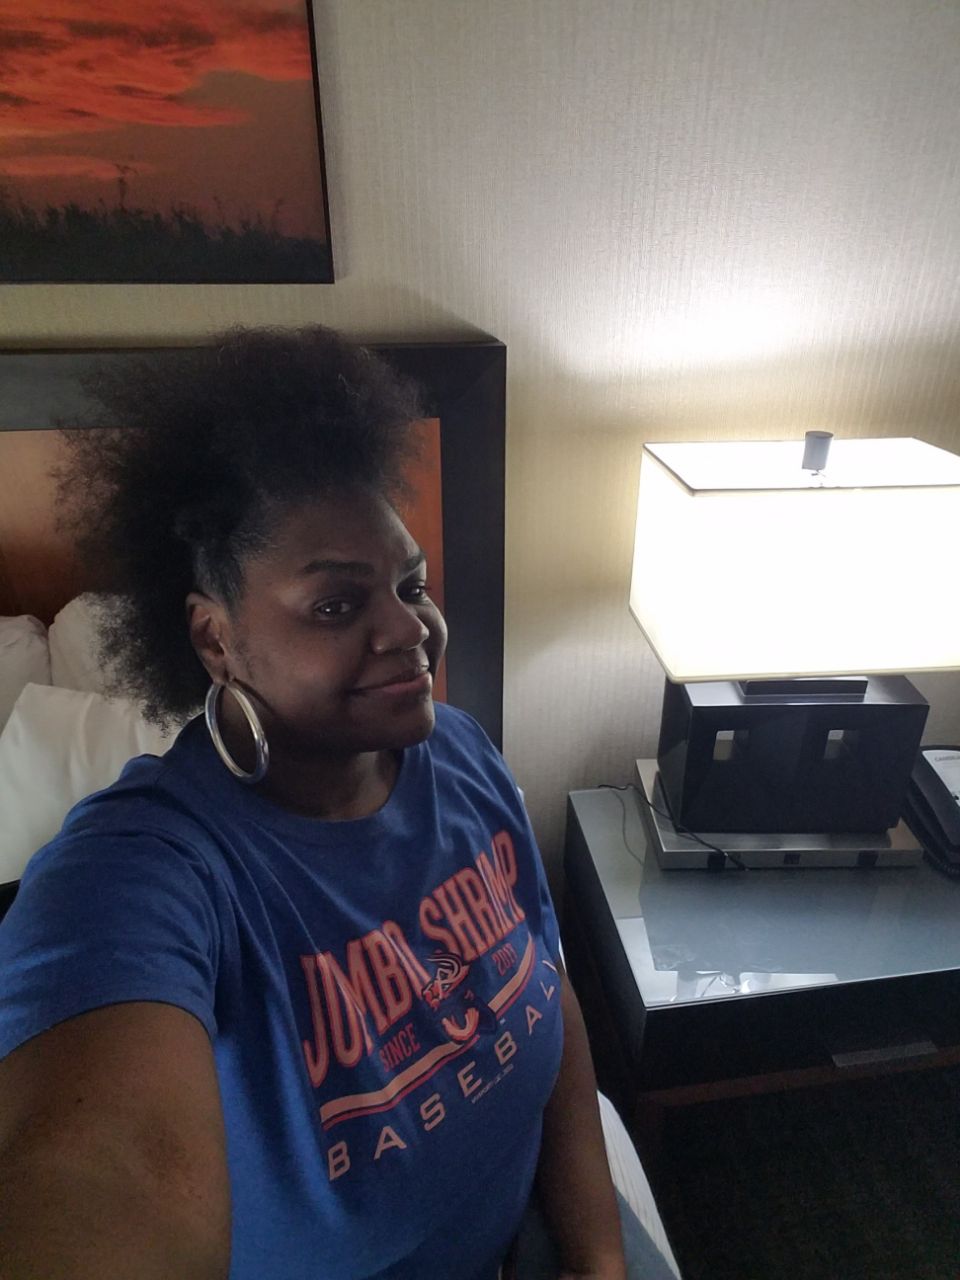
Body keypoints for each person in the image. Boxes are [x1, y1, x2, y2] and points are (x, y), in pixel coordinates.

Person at [0, 328, 663, 1279]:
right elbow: (102, 1172)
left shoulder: (463, 754)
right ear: (215, 638)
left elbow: (543, 987)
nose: (412, 629)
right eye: (336, 606)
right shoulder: (138, 875)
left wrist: (597, 1259)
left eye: (410, 584)